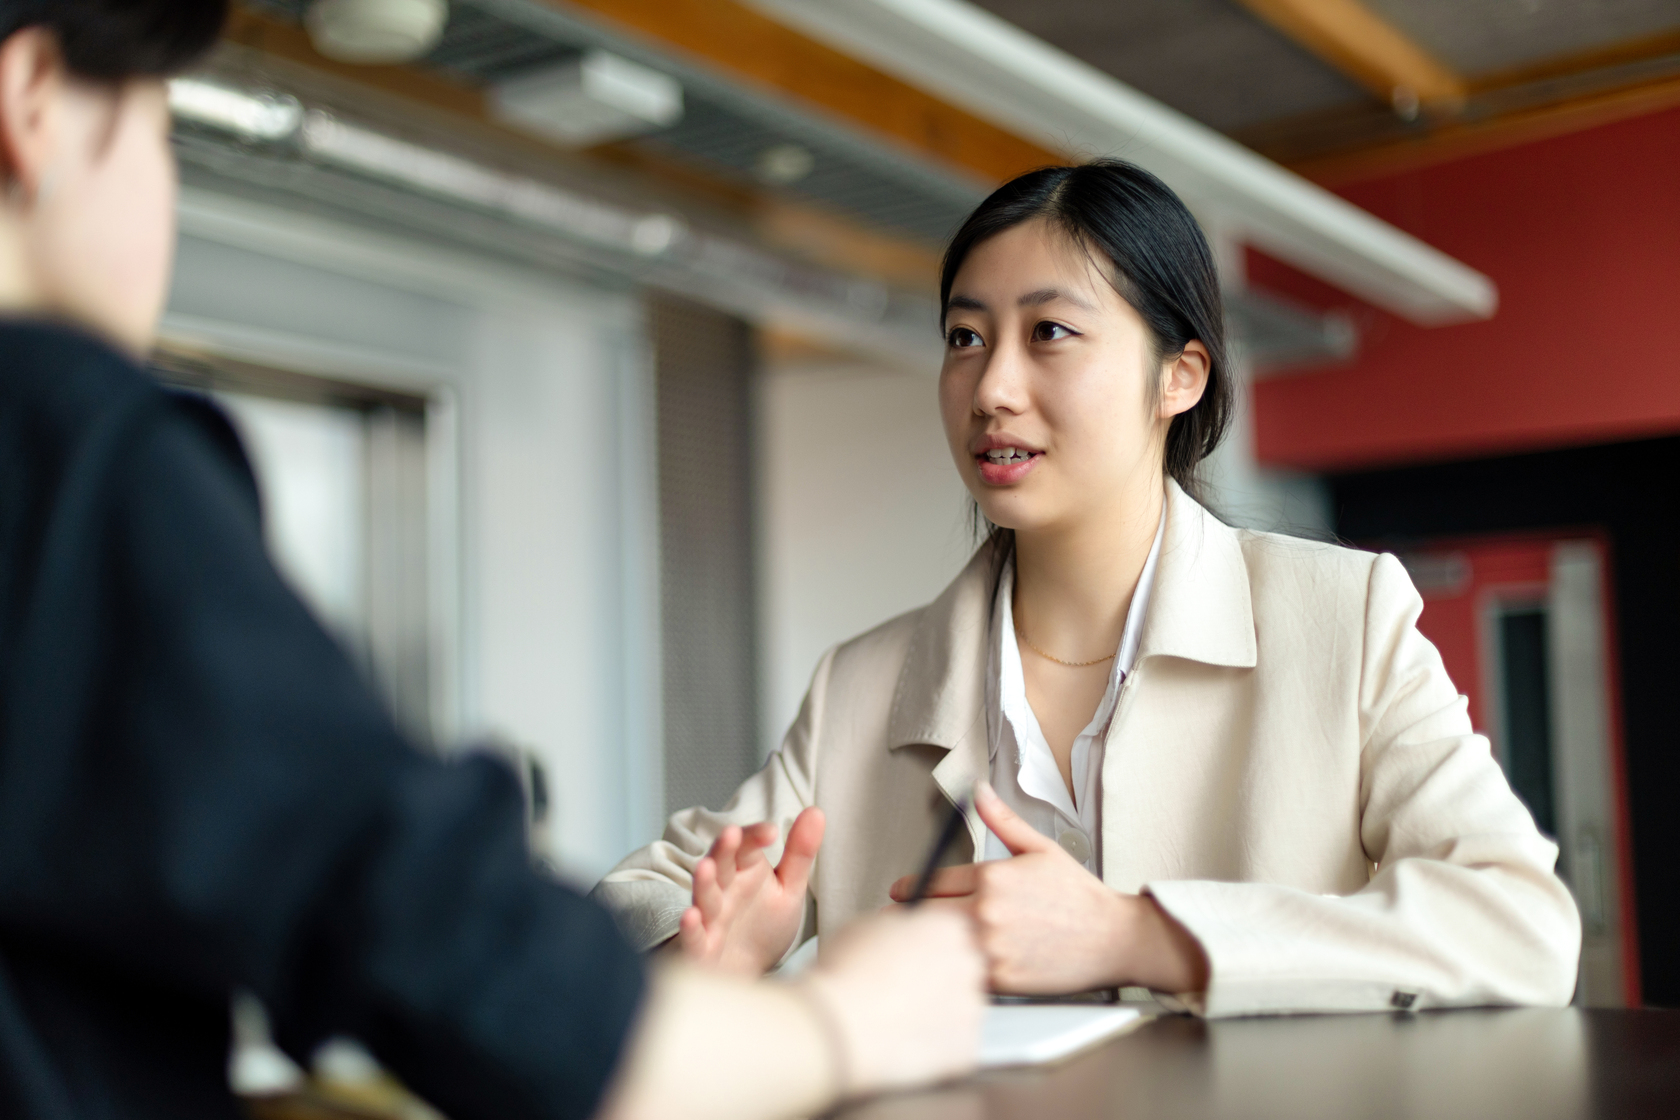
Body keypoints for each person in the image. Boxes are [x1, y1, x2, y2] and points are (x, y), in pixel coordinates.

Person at [0, 2, 984, 1118]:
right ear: (33, 100)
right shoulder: (64, 440)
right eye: (157, 129)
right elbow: (421, 924)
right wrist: (841, 1022)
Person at [594, 161, 1584, 1016]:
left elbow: (1519, 924)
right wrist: (705, 950)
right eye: (965, 337)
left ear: (1179, 376)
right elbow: (637, 902)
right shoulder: (866, 682)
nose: (990, 388)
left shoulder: (1346, 616)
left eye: (1050, 333)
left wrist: (1141, 936)